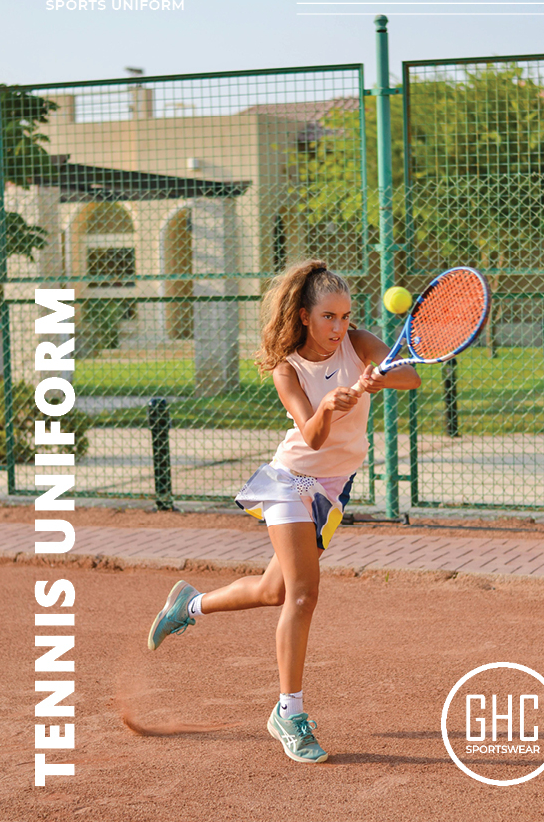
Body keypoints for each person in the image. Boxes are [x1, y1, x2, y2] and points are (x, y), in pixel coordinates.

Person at [147, 259, 421, 764]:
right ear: (302, 316)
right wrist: (328, 406)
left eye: (345, 316)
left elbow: (410, 378)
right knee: (303, 595)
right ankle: (288, 712)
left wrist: (379, 377)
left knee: (275, 591)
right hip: (291, 481)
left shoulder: (357, 343)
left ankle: (188, 606)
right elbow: (312, 436)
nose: (339, 326)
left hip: (333, 489)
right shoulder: (286, 367)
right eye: (328, 317)